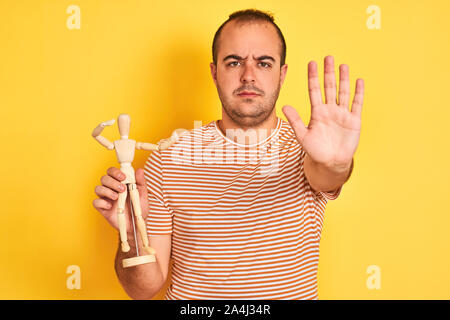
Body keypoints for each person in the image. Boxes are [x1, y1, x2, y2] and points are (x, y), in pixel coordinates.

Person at [93, 8, 364, 300]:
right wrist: (132, 235)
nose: (248, 76)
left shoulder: (306, 149)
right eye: (234, 62)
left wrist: (337, 163)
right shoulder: (168, 158)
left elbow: (327, 174)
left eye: (264, 63)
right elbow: (142, 290)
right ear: (214, 73)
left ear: (282, 75)